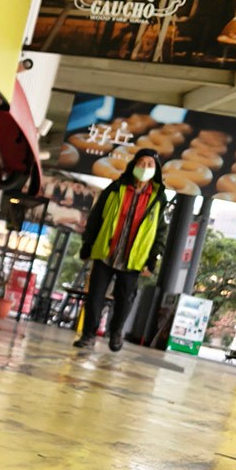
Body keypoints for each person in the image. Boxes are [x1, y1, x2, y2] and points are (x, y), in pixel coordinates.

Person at [74, 149, 168, 352]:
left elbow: (159, 231)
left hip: (133, 258)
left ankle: (116, 332)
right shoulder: (116, 188)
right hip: (106, 252)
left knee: (124, 300)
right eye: (141, 163)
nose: (145, 168)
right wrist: (87, 244)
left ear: (156, 170)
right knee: (95, 296)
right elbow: (96, 216)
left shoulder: (158, 198)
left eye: (150, 165)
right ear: (134, 165)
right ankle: (88, 335)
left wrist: (152, 260)